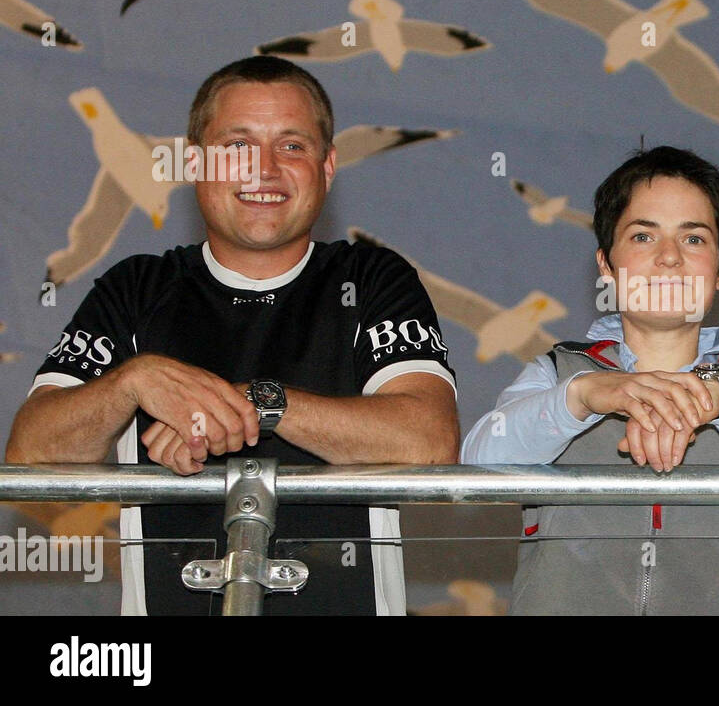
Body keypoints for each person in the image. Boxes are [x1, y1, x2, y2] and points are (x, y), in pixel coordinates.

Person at [5, 56, 459, 615]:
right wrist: (133, 383)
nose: (264, 169)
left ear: (328, 165)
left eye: (292, 145)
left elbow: (428, 444)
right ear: (194, 163)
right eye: (238, 146)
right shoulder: (137, 287)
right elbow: (31, 458)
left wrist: (255, 404)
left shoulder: (371, 279)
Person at [462, 146, 719, 615]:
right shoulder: (557, 373)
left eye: (695, 239)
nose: (669, 258)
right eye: (643, 237)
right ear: (605, 265)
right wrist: (582, 396)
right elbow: (478, 464)